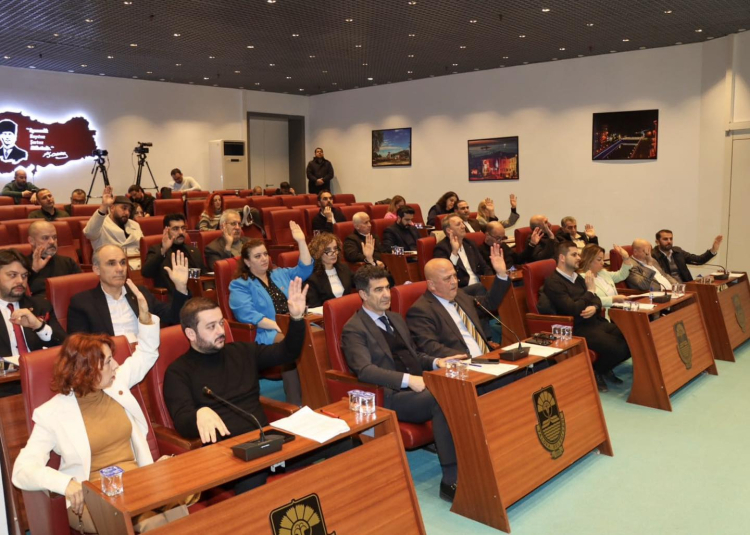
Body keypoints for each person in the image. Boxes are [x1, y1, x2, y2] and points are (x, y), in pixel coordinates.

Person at [12, 298, 186, 533]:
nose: (116, 366)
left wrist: (146, 320)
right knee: (151, 523)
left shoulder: (116, 384)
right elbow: (22, 470)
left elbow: (146, 353)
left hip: (138, 484)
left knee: (179, 508)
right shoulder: (51, 414)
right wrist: (66, 483)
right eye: (108, 361)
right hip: (91, 497)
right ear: (86, 370)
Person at [165, 288, 349, 495]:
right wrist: (199, 414)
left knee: (342, 442)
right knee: (253, 478)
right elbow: (182, 422)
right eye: (211, 327)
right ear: (191, 334)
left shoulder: (242, 352)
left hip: (267, 443)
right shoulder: (178, 372)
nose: (220, 331)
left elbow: (287, 352)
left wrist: (297, 319)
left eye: (221, 323)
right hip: (228, 457)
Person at [342, 265, 461, 501]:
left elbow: (414, 355)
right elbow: (364, 370)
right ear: (363, 294)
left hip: (419, 386)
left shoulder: (395, 318)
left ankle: (471, 457)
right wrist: (408, 380)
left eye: (387, 288)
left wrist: (437, 362)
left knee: (461, 384)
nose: (386, 294)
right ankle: (450, 479)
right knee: (441, 398)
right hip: (389, 396)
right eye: (378, 290)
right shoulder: (353, 329)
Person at [228, 222, 312, 405]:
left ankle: (315, 394)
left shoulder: (279, 274)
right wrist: (278, 326)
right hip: (266, 331)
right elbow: (247, 314)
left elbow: (305, 268)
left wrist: (301, 242)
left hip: (293, 323)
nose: (264, 259)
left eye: (265, 254)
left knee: (317, 336)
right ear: (247, 262)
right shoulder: (240, 285)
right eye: (258, 256)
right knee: (289, 343)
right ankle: (295, 402)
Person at [541, 241, 631, 392]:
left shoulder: (577, 277)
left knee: (631, 338)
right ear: (562, 258)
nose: (579, 258)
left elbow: (596, 299)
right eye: (574, 254)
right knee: (618, 348)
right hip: (576, 327)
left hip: (595, 321)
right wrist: (589, 292)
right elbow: (572, 309)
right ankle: (597, 371)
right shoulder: (553, 282)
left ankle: (604, 368)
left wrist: (594, 307)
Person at [68, 245, 190, 342]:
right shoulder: (82, 303)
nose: (120, 269)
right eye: (111, 263)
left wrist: (180, 288)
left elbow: (174, 316)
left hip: (146, 355)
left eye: (122, 262)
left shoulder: (140, 293)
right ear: (97, 269)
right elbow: (79, 347)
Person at [406, 248, 510, 358]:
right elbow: (430, 347)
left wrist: (501, 273)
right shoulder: (420, 311)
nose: (454, 282)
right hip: (462, 364)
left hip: (488, 358)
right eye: (447, 278)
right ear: (431, 285)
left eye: (454, 276)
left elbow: (489, 303)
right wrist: (467, 358)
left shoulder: (459, 295)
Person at [0, 249, 66, 357]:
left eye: (24, 276)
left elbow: (65, 346)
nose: (20, 281)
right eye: (12, 275)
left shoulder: (40, 306)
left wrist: (39, 326)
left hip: (39, 366)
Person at [142, 214, 206, 293]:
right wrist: (163, 250)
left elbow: (204, 275)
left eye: (183, 228)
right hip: (173, 296)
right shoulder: (157, 250)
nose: (181, 232)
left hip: (196, 296)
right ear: (166, 230)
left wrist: (209, 289)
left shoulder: (193, 251)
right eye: (175, 229)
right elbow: (146, 272)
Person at [83, 186, 144, 269]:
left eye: (129, 210)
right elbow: (89, 233)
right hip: (111, 267)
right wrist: (104, 206)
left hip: (138, 265)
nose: (127, 213)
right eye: (124, 208)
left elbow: (142, 246)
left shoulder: (134, 224)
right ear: (112, 208)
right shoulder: (100, 223)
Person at [433, 214, 492, 289]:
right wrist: (454, 252)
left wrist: (491, 282)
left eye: (463, 223)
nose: (463, 226)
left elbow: (485, 267)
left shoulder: (470, 244)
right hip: (461, 289)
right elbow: (446, 274)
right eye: (458, 224)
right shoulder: (441, 248)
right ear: (449, 230)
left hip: (480, 285)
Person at [578, 244, 635, 320]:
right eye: (599, 260)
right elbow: (590, 300)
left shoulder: (603, 273)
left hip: (617, 312)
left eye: (603, 259)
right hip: (603, 316)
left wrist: (626, 257)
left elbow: (622, 275)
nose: (602, 262)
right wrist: (613, 299)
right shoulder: (582, 278)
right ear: (588, 260)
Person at [26, 221, 81, 296]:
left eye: (54, 237)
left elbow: (81, 287)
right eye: (45, 238)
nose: (52, 242)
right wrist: (34, 270)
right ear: (31, 241)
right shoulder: (21, 265)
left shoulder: (68, 262)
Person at [651, 230, 723, 283]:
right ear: (657, 242)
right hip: (667, 289)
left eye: (671, 239)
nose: (669, 241)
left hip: (686, 286)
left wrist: (713, 250)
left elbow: (699, 260)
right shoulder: (653, 255)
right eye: (665, 239)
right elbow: (660, 276)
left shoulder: (678, 251)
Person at [306, 233, 355, 307]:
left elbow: (362, 282)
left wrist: (369, 259)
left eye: (335, 248)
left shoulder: (344, 268)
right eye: (328, 250)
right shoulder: (312, 277)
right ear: (318, 253)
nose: (334, 253)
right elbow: (314, 306)